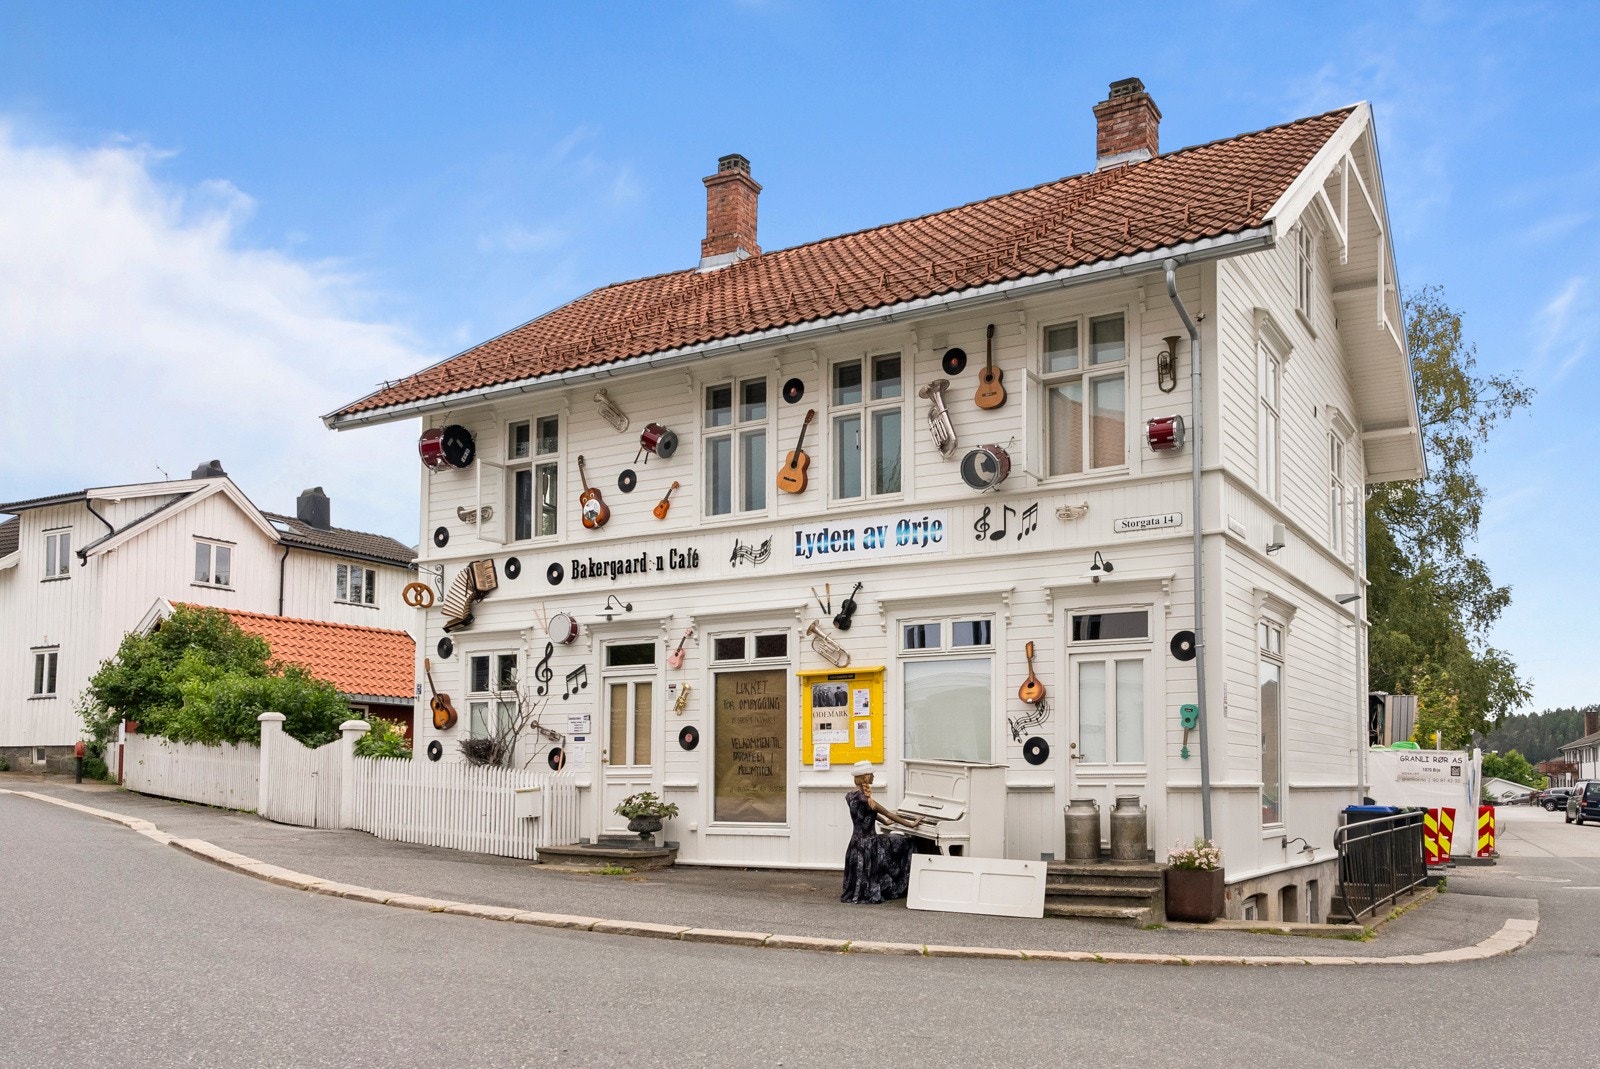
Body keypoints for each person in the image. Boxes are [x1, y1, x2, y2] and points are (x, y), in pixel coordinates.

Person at [840, 760, 924, 904]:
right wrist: (911, 824)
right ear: (865, 777)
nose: (873, 777)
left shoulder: (850, 796)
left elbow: (870, 812)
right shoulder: (864, 798)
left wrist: (885, 823)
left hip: (856, 843)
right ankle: (900, 886)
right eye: (871, 775)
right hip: (870, 843)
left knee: (894, 841)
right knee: (906, 842)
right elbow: (887, 813)